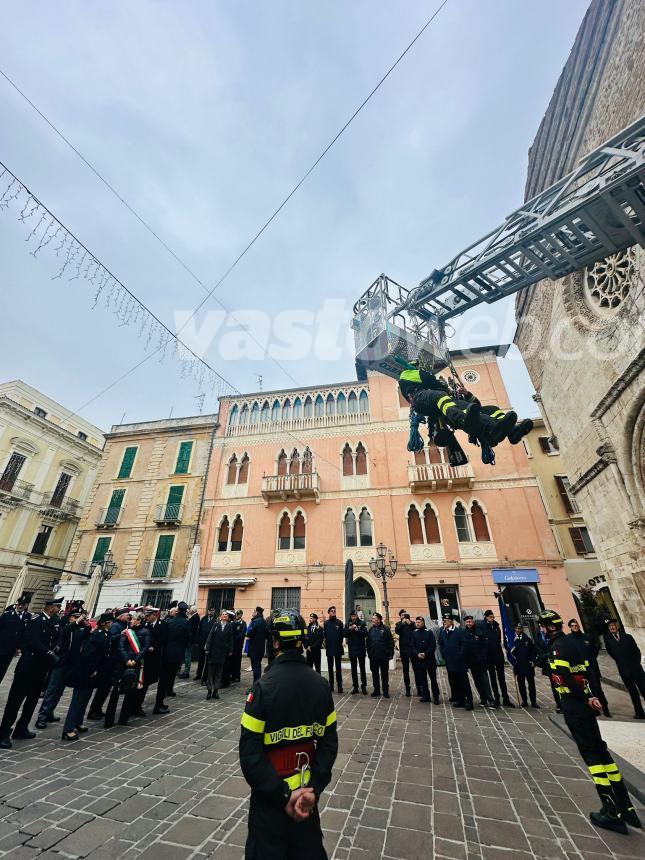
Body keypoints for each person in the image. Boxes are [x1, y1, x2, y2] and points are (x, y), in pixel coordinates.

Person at [239, 608, 338, 859]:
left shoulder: (262, 688)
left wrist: (283, 796)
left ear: (274, 642)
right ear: (302, 641)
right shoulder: (322, 686)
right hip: (307, 800)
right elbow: (329, 744)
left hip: (270, 804)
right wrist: (312, 790)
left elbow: (250, 754)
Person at [539, 609, 641, 834]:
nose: (542, 630)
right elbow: (589, 672)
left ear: (549, 627)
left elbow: (565, 679)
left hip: (575, 705)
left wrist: (585, 698)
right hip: (588, 703)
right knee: (602, 751)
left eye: (543, 626)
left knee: (591, 756)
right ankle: (626, 805)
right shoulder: (576, 644)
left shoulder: (557, 648)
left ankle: (610, 809)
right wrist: (594, 697)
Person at [0, 596, 63, 749]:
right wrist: (48, 653)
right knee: (15, 701)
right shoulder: (36, 621)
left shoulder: (55, 622)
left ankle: (22, 728)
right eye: (57, 607)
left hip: (41, 669)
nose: (59, 609)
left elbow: (58, 637)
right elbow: (32, 641)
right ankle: (3, 734)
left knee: (32, 701)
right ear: (50, 607)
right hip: (27, 668)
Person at [61, 613, 113, 741]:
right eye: (110, 622)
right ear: (106, 623)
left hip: (93, 673)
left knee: (85, 699)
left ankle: (78, 722)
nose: (112, 624)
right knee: (77, 701)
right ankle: (68, 729)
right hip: (85, 673)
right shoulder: (97, 635)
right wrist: (93, 669)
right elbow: (88, 655)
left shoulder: (104, 634)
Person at [36, 609, 90, 728]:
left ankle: (50, 712)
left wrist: (86, 626)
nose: (78, 620)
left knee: (59, 691)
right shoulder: (65, 626)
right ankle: (42, 716)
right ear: (70, 618)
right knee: (52, 689)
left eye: (79, 618)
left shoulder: (78, 629)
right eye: (75, 618)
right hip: (60, 663)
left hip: (71, 664)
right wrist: (76, 623)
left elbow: (85, 637)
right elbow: (64, 633)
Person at [87, 609, 130, 720]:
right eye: (126, 615)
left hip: (111, 662)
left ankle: (98, 709)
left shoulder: (113, 628)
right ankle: (94, 710)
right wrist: (120, 635)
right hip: (105, 664)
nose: (129, 616)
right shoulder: (111, 628)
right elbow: (109, 641)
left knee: (105, 689)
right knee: (102, 689)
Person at [154, 601, 192, 714]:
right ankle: (158, 705)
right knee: (167, 679)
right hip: (176, 654)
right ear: (185, 611)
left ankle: (160, 702)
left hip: (166, 653)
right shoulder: (186, 623)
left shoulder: (169, 621)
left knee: (163, 679)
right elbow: (188, 638)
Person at [568, 619, 611, 718]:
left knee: (597, 689)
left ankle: (605, 708)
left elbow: (595, 649)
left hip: (591, 667)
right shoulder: (569, 639)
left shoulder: (586, 637)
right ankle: (592, 708)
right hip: (579, 669)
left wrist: (589, 660)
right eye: (573, 626)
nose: (575, 627)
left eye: (576, 625)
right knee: (585, 690)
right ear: (570, 627)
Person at [603, 619, 645, 720]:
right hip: (624, 671)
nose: (612, 627)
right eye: (610, 627)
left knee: (644, 689)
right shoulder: (608, 641)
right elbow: (612, 654)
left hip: (636, 669)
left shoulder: (628, 637)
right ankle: (639, 712)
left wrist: (636, 663)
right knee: (632, 692)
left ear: (617, 626)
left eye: (613, 625)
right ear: (609, 629)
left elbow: (637, 651)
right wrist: (622, 663)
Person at [478, 610, 515, 708]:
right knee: (493, 679)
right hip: (488, 656)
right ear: (486, 617)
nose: (492, 618)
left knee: (501, 678)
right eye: (490, 617)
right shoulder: (481, 627)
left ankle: (506, 698)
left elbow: (498, 640)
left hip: (498, 655)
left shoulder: (496, 626)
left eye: (493, 617)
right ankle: (496, 698)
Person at [439, 615, 473, 710]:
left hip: (459, 662)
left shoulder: (459, 631)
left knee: (464, 683)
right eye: (443, 621)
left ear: (451, 622)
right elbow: (441, 643)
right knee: (454, 682)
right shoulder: (442, 631)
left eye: (446, 621)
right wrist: (444, 653)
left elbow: (464, 644)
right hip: (449, 661)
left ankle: (469, 701)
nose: (444, 622)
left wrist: (460, 655)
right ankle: (460, 700)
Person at [463, 616, 495, 707]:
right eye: (467, 622)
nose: (469, 623)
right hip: (471, 662)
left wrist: (482, 657)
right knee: (476, 681)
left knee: (485, 681)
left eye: (470, 621)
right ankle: (483, 699)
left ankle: (490, 699)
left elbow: (485, 646)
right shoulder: (464, 633)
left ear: (473, 622)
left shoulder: (479, 631)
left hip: (481, 661)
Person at [0, 594, 31, 686]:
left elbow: (24, 634)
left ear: (27, 605)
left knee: (2, 671)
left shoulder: (27, 617)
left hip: (11, 650)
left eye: (23, 604)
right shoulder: (7, 615)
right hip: (1, 647)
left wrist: (19, 647)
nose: (20, 606)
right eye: (19, 604)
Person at [204, 610, 234, 700]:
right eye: (223, 614)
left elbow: (231, 639)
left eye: (226, 615)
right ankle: (209, 691)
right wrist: (207, 648)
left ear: (227, 617)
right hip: (213, 652)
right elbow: (210, 636)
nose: (225, 616)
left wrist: (230, 649)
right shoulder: (216, 625)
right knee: (210, 673)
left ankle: (216, 691)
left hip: (222, 652)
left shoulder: (229, 626)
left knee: (219, 673)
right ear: (220, 616)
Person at [510, 623, 539, 709]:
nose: (518, 630)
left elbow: (533, 651)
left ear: (522, 629)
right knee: (521, 684)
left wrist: (533, 661)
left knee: (531, 684)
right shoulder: (512, 640)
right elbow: (510, 652)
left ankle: (533, 701)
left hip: (528, 664)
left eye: (520, 628)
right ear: (514, 629)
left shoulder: (527, 639)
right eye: (517, 628)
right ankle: (524, 700)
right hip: (518, 665)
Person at [411, 616, 440, 704]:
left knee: (433, 679)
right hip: (419, 660)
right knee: (422, 679)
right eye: (416, 622)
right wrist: (417, 654)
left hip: (429, 660)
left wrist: (425, 653)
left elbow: (433, 646)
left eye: (419, 622)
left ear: (423, 623)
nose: (417, 624)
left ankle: (436, 697)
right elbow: (412, 646)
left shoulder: (429, 633)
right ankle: (426, 695)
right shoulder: (414, 633)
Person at [366, 613, 394, 698]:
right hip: (373, 656)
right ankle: (376, 690)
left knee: (384, 674)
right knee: (375, 674)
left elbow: (390, 642)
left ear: (378, 619)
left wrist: (390, 654)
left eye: (374, 618)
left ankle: (385, 691)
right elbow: (368, 642)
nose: (372, 620)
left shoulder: (385, 629)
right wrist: (369, 653)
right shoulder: (371, 629)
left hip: (383, 656)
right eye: (372, 618)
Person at [344, 611, 368, 695]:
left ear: (357, 616)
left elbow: (365, 633)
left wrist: (358, 630)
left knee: (362, 669)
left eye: (354, 616)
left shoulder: (362, 623)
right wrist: (350, 629)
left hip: (361, 649)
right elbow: (344, 634)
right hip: (352, 649)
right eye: (352, 616)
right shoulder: (348, 624)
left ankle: (364, 686)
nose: (353, 617)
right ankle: (355, 687)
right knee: (353, 669)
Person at [323, 606, 344, 693]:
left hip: (338, 648)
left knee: (338, 668)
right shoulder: (326, 623)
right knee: (330, 668)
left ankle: (339, 686)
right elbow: (325, 635)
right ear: (329, 613)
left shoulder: (339, 623)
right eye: (332, 611)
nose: (333, 612)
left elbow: (342, 635)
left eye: (334, 611)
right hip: (329, 648)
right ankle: (331, 685)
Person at [395, 610, 416, 697]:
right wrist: (402, 624)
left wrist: (409, 623)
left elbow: (416, 629)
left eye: (405, 614)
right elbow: (397, 632)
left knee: (417, 669)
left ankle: (419, 687)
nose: (404, 616)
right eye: (403, 615)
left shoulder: (412, 623)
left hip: (413, 649)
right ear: (400, 616)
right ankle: (407, 688)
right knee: (405, 670)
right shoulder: (399, 624)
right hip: (404, 649)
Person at [246, 607, 266, 685]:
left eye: (254, 611)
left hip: (254, 648)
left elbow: (250, 633)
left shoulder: (255, 621)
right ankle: (257, 683)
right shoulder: (263, 621)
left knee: (255, 667)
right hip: (261, 648)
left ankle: (256, 685)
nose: (252, 613)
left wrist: (248, 635)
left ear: (257, 613)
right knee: (257, 666)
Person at [178, 606, 200, 679]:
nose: (189, 610)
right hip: (189, 640)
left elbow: (191, 630)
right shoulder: (194, 616)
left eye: (190, 610)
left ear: (193, 610)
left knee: (187, 656)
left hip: (189, 641)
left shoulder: (195, 617)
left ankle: (186, 672)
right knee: (186, 656)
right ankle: (185, 671)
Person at [195, 607, 216, 683]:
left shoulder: (215, 620)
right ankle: (198, 674)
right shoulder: (203, 619)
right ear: (208, 611)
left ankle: (205, 677)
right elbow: (199, 630)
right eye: (210, 611)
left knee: (207, 662)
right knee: (201, 660)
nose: (211, 612)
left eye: (212, 611)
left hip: (209, 644)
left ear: (214, 611)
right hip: (202, 642)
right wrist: (197, 641)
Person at [232, 609, 248, 683]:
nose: (237, 615)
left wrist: (236, 637)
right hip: (232, 645)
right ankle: (232, 675)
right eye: (236, 614)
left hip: (238, 645)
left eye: (238, 614)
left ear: (241, 615)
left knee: (237, 661)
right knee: (232, 660)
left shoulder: (243, 623)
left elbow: (242, 634)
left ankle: (237, 676)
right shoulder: (233, 622)